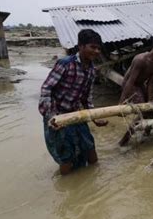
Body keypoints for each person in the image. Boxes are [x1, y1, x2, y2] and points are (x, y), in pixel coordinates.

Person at [39, 29, 108, 175]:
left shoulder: (91, 70)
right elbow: (46, 89)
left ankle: (91, 183)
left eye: (98, 48)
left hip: (76, 113)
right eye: (92, 47)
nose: (96, 51)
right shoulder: (65, 64)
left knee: (90, 149)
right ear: (81, 46)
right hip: (57, 115)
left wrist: (94, 118)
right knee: (67, 158)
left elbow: (86, 98)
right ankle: (67, 188)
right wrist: (51, 116)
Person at [118, 33, 153, 146]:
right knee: (143, 111)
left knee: (152, 109)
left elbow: (151, 82)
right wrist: (121, 102)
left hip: (141, 84)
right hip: (131, 85)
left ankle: (147, 133)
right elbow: (130, 81)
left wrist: (150, 100)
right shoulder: (140, 59)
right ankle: (124, 140)